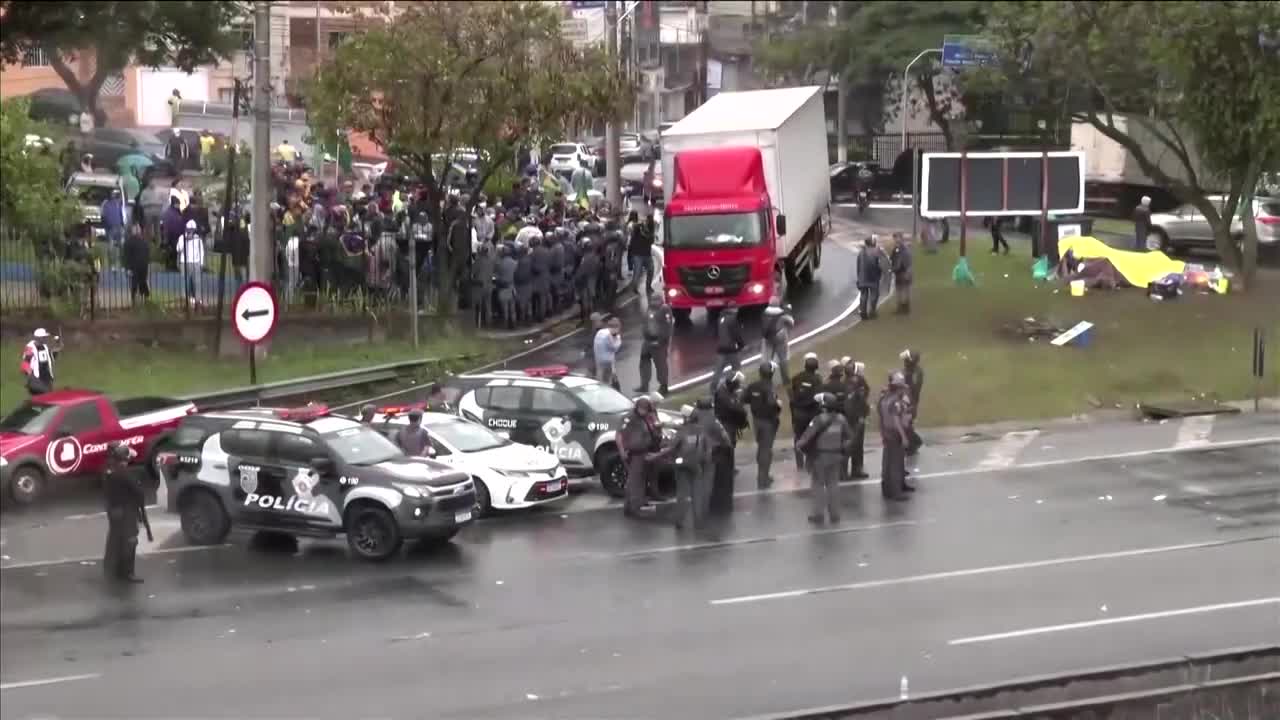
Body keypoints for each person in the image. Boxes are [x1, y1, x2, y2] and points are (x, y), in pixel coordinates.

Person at [656, 404, 714, 532]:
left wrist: (655, 455)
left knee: (682, 494)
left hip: (682, 465)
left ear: (687, 418)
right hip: (697, 465)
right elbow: (708, 448)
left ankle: (679, 520)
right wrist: (705, 459)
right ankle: (698, 521)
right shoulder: (701, 430)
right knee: (697, 493)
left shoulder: (683, 431)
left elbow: (671, 448)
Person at [797, 393, 853, 524]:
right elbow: (849, 437)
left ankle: (818, 514)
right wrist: (843, 448)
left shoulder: (818, 420)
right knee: (833, 484)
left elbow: (807, 437)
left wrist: (798, 445)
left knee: (817, 484)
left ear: (823, 405)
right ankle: (835, 514)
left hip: (820, 456)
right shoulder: (841, 418)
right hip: (836, 455)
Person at [102, 441, 145, 583]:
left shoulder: (109, 469)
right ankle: (128, 572)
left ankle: (115, 569)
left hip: (113, 509)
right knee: (130, 541)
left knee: (116, 540)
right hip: (126, 511)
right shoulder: (124, 473)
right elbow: (138, 491)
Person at [618, 396, 662, 517]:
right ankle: (632, 508)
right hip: (633, 453)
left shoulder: (644, 417)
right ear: (638, 407)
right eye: (643, 409)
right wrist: (622, 451)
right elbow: (619, 435)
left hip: (643, 451)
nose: (645, 412)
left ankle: (636, 504)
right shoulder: (629, 418)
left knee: (640, 480)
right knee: (634, 481)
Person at [746, 362, 782, 489]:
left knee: (761, 447)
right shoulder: (769, 387)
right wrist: (778, 404)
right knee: (766, 450)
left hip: (756, 421)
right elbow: (772, 403)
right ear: (771, 373)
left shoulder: (752, 386)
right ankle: (763, 479)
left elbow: (744, 398)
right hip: (768, 422)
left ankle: (763, 475)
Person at [878, 373, 911, 501]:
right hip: (895, 433)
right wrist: (904, 437)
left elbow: (881, 417)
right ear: (898, 387)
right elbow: (897, 419)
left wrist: (882, 431)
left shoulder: (884, 399)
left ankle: (886, 489)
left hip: (886, 432)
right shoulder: (896, 401)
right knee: (896, 463)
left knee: (887, 462)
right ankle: (897, 492)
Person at [789, 353, 822, 470]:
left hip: (798, 413)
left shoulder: (796, 378)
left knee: (798, 437)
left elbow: (792, 397)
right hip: (812, 414)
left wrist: (793, 414)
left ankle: (799, 463)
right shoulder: (817, 379)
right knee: (812, 437)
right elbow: (819, 398)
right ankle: (810, 462)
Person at [637, 290, 673, 395]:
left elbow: (668, 326)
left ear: (660, 299)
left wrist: (662, 340)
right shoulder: (650, 308)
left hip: (659, 342)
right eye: (652, 299)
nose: (653, 302)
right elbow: (646, 321)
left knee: (661, 365)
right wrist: (644, 333)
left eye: (656, 300)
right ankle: (644, 384)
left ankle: (663, 386)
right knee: (644, 361)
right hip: (648, 340)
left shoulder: (665, 309)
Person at [842, 360, 871, 480]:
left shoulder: (843, 382)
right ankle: (856, 469)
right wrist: (864, 413)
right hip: (857, 418)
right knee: (857, 445)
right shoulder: (859, 381)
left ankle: (843, 471)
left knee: (847, 444)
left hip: (846, 418)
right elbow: (864, 396)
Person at [760, 297, 795, 386]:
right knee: (783, 359)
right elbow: (791, 323)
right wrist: (789, 311)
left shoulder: (764, 312)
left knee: (767, 360)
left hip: (767, 338)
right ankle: (786, 380)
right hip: (780, 338)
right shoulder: (782, 313)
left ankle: (766, 380)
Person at [714, 370, 749, 454]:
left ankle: (729, 465)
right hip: (725, 423)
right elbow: (735, 408)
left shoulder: (728, 391)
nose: (739, 386)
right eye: (737, 384)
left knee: (731, 444)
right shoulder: (722, 394)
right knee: (728, 445)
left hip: (730, 423)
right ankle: (727, 466)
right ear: (732, 384)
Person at [711, 305, 745, 391]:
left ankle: (713, 388)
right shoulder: (732, 319)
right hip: (731, 348)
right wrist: (741, 345)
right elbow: (736, 334)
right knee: (737, 368)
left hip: (721, 348)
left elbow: (715, 333)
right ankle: (737, 386)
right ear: (733, 309)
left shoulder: (720, 318)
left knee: (718, 370)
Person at [20, 328, 59, 396]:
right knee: (45, 397)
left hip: (46, 378)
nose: (46, 339)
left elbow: (48, 359)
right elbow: (25, 364)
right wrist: (32, 377)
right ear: (39, 338)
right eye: (44, 337)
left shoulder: (44, 346)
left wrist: (57, 351)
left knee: (48, 399)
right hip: (37, 380)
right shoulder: (30, 348)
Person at [901, 349, 925, 455]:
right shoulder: (909, 370)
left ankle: (915, 443)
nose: (904, 362)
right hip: (906, 400)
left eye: (906, 360)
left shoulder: (916, 373)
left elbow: (913, 388)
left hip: (911, 402)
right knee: (906, 423)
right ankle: (912, 444)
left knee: (906, 424)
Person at [176, 219, 205, 305]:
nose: (190, 232)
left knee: (197, 281)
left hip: (196, 262)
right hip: (184, 262)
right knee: (184, 281)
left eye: (192, 230)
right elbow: (178, 249)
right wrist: (186, 240)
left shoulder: (198, 239)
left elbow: (201, 251)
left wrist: (201, 262)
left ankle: (197, 299)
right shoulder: (182, 238)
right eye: (189, 230)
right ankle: (185, 299)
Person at [573, 237, 600, 324]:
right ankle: (592, 315)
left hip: (584, 280)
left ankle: (586, 317)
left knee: (585, 299)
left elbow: (581, 271)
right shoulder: (595, 256)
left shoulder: (585, 258)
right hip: (592, 278)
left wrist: (577, 278)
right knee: (591, 296)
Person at [123, 223, 151, 305]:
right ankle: (144, 298)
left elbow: (126, 256)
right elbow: (147, 254)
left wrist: (127, 267)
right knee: (141, 282)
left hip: (136, 266)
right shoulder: (144, 242)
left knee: (135, 282)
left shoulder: (129, 242)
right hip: (142, 265)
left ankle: (136, 299)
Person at [627, 211, 655, 293]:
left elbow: (651, 240)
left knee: (651, 270)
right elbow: (633, 231)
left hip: (647, 254)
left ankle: (648, 287)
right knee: (637, 272)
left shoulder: (650, 231)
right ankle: (634, 288)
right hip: (638, 254)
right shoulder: (638, 228)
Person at [857, 235, 883, 320]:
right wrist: (879, 274)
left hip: (863, 277)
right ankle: (872, 311)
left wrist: (859, 278)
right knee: (874, 295)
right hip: (873, 277)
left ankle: (863, 312)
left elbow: (858, 266)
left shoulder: (861, 252)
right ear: (872, 242)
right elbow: (880, 265)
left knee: (863, 295)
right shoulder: (876, 251)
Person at [471, 242, 496, 328]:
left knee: (476, 305)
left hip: (480, 286)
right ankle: (489, 322)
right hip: (489, 285)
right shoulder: (491, 261)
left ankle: (476, 323)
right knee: (488, 305)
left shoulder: (478, 261)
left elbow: (473, 272)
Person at [593, 317, 623, 388]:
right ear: (615, 328)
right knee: (608, 379)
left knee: (601, 376)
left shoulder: (600, 332)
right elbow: (615, 347)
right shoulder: (608, 336)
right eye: (618, 328)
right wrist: (618, 338)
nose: (618, 331)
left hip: (598, 359)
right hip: (607, 361)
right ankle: (613, 392)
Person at [495, 244, 518, 329]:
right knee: (512, 309)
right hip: (512, 288)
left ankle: (505, 324)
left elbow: (497, 276)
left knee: (505, 309)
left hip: (503, 289)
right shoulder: (515, 262)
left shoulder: (500, 263)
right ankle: (514, 324)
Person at [530, 233, 552, 322]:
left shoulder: (532, 254)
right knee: (543, 298)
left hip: (536, 279)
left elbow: (531, 267)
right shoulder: (547, 251)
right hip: (546, 277)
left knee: (537, 299)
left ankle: (539, 316)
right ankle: (543, 315)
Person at [891, 233, 914, 314]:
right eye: (895, 239)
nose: (895, 240)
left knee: (900, 290)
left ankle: (901, 308)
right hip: (907, 271)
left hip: (902, 272)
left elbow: (898, 263)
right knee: (905, 290)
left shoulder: (900, 249)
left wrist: (892, 270)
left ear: (900, 238)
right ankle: (905, 308)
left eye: (896, 238)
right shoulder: (903, 248)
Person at [514, 241, 534, 324]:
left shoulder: (519, 262)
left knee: (522, 302)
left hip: (521, 284)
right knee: (528, 301)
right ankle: (529, 316)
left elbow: (518, 274)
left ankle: (522, 318)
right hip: (529, 282)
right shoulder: (530, 259)